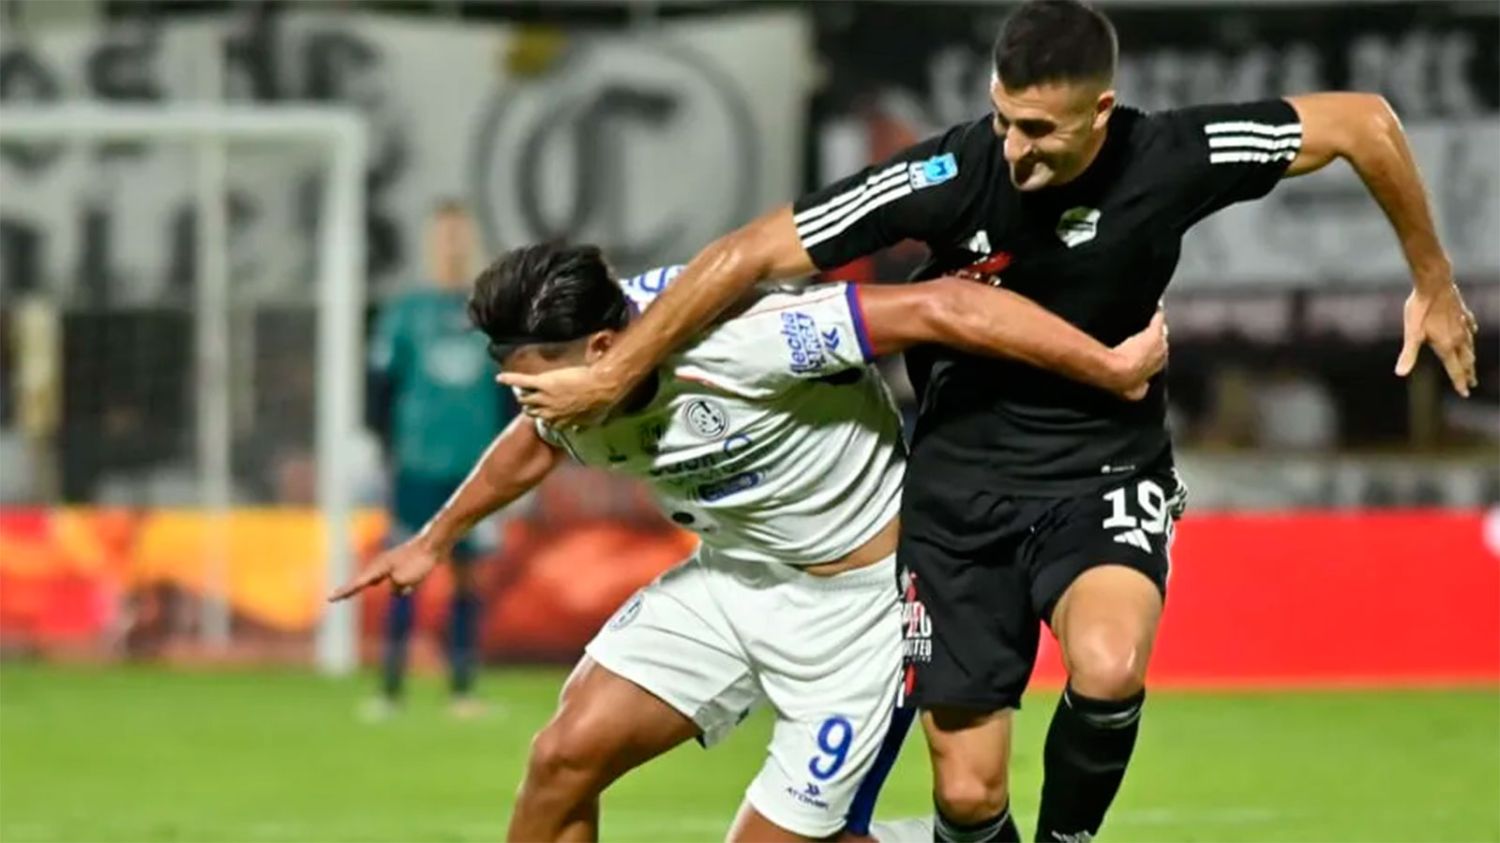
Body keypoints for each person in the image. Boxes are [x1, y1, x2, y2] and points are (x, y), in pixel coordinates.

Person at [495, 2, 1481, 840]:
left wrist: (1432, 279)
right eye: (1003, 119)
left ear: (1100, 112)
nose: (1014, 149)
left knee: (1108, 666)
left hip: (1103, 472)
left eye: (1038, 130)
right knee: (966, 797)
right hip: (957, 493)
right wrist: (620, 364)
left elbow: (1363, 121)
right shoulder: (949, 174)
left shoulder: (1177, 154)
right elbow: (751, 253)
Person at [332, 241, 1168, 842]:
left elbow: (941, 307)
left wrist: (1105, 364)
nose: (523, 397)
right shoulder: (564, 388)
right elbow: (533, 442)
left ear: (602, 349)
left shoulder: (750, 338)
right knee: (562, 758)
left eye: (534, 380)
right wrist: (435, 540)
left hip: (859, 614)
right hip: (730, 580)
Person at [364, 199, 515, 719]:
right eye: (444, 235)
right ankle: (390, 688)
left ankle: (462, 688)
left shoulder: (491, 317)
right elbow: (380, 388)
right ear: (430, 243)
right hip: (418, 465)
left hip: (477, 470)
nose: (452, 245)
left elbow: (510, 393)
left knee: (469, 576)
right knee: (406, 570)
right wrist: (386, 451)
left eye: (459, 235)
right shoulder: (406, 312)